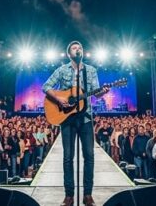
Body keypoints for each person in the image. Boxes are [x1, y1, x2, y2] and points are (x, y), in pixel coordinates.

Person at [42, 41, 108, 206]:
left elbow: (96, 93)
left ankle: (88, 195)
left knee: (89, 156)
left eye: (80, 47)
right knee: (68, 157)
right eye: (74, 47)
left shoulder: (91, 70)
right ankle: (69, 196)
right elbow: (46, 86)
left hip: (85, 118)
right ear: (68, 53)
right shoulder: (62, 70)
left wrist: (103, 92)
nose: (78, 49)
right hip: (67, 119)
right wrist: (59, 99)